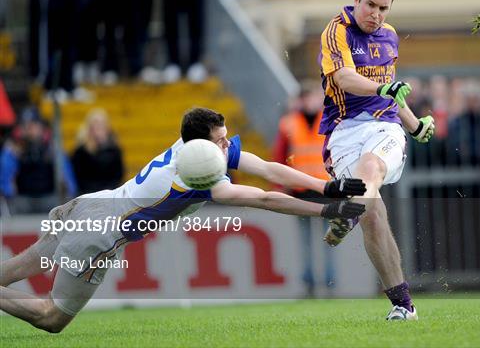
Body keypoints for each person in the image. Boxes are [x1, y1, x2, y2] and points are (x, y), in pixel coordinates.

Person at [0, 107, 367, 333]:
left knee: (18, 267)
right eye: (220, 142)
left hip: (91, 206)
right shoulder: (198, 173)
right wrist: (325, 210)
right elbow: (265, 198)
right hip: (99, 233)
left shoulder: (194, 148)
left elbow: (270, 168)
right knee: (52, 317)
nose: (227, 147)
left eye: (225, 140)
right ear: (201, 146)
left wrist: (328, 187)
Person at [316, 0, 435, 320]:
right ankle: (404, 304)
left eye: (383, 8)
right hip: (342, 132)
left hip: (384, 127)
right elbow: (344, 78)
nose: (376, 14)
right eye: (370, 5)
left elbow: (392, 93)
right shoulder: (336, 30)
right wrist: (382, 88)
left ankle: (349, 209)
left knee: (370, 170)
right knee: (371, 210)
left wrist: (414, 125)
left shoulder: (390, 36)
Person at [273, 80, 334, 297]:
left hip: (327, 189)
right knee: (306, 241)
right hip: (301, 190)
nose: (309, 102)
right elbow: (279, 157)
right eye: (306, 98)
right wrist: (279, 185)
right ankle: (310, 283)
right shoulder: (289, 123)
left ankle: (328, 283)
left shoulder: (327, 119)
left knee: (329, 238)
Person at [0, 107, 77, 214]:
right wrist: (9, 194)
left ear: (41, 126)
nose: (29, 129)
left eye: (33, 125)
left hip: (49, 197)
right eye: (25, 126)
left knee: (58, 206)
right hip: (23, 199)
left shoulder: (52, 147)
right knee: (15, 206)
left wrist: (69, 194)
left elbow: (68, 179)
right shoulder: (13, 149)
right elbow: (5, 181)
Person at [71, 109, 124, 194]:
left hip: (109, 195)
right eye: (96, 125)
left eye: (102, 125)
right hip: (88, 195)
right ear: (89, 129)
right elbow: (79, 178)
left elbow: (119, 176)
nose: (99, 129)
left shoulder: (114, 149)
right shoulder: (81, 151)